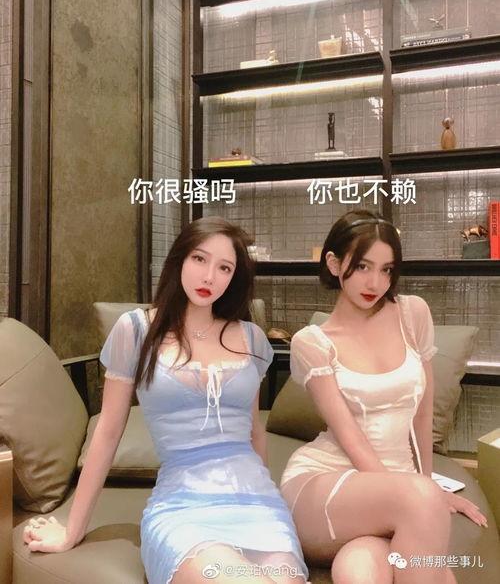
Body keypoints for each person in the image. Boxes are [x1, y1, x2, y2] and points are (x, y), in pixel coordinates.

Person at [23, 216, 309, 584]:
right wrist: (72, 530)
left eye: (224, 268)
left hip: (258, 507)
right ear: (179, 260)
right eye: (199, 259)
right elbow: (108, 432)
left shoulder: (251, 337)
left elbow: (253, 432)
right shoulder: (136, 330)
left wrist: (268, 501)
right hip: (184, 510)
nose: (209, 277)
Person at [279, 209, 487, 584]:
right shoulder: (313, 342)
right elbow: (350, 437)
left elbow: (422, 414)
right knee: (422, 509)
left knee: (358, 571)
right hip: (325, 484)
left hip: (395, 488)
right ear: (334, 263)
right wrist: (419, 494)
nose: (375, 282)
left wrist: (423, 482)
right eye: (362, 266)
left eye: (386, 269)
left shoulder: (412, 314)